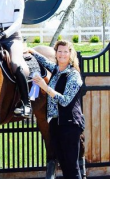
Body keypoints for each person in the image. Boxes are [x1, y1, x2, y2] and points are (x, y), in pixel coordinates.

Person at [28, 40, 85, 179]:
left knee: (71, 167)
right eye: (59, 51)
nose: (62, 54)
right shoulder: (56, 69)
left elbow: (65, 100)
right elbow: (45, 62)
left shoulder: (73, 75)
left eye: (65, 51)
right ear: (56, 53)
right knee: (64, 166)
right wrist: (32, 51)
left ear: (70, 54)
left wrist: (45, 87)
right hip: (56, 124)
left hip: (70, 125)